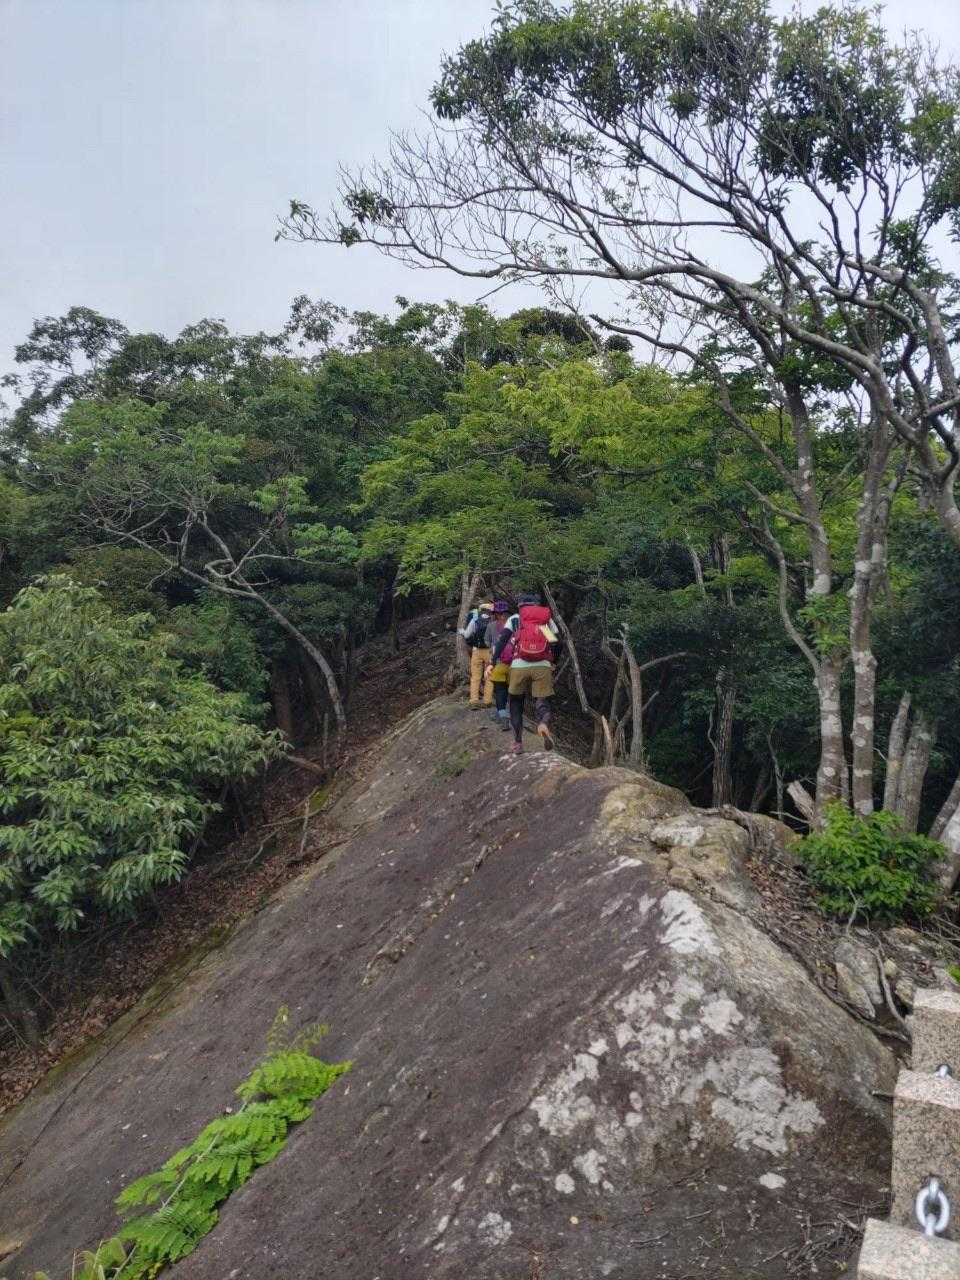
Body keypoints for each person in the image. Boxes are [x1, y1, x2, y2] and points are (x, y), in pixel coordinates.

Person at [490, 591, 558, 754]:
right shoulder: (544, 620)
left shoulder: (515, 619)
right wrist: (553, 661)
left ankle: (518, 742)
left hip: (519, 664)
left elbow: (502, 640)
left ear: (520, 606)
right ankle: (543, 723)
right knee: (542, 701)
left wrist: (493, 661)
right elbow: (555, 643)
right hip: (542, 665)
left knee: (515, 703)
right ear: (536, 605)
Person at [484, 600, 513, 731]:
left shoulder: (491, 626)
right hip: (515, 663)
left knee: (500, 691)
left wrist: (492, 653)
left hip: (498, 662)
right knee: (513, 691)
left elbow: (487, 641)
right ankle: (513, 715)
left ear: (496, 613)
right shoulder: (516, 623)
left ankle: (503, 717)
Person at [459, 600, 494, 709]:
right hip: (489, 652)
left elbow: (467, 634)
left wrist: (462, 631)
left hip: (477, 651)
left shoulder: (475, 620)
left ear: (481, 610)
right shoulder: (493, 621)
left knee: (475, 677)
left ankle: (474, 700)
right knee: (489, 676)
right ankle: (487, 701)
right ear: (490, 611)